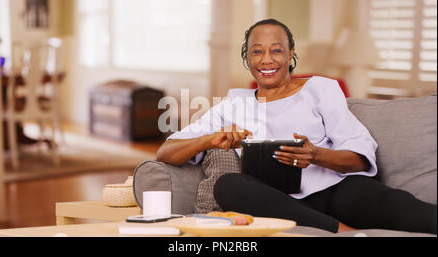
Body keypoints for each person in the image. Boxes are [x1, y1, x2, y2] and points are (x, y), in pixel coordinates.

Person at [156, 18, 437, 234]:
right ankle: (344, 233)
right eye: (257, 52)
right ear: (247, 58)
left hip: (337, 190)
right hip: (275, 199)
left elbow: (359, 156)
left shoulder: (320, 89)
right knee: (228, 185)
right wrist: (208, 140)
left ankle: (320, 224)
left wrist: (317, 156)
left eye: (276, 50)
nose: (267, 60)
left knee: (401, 207)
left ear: (291, 54)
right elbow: (166, 152)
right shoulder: (234, 103)